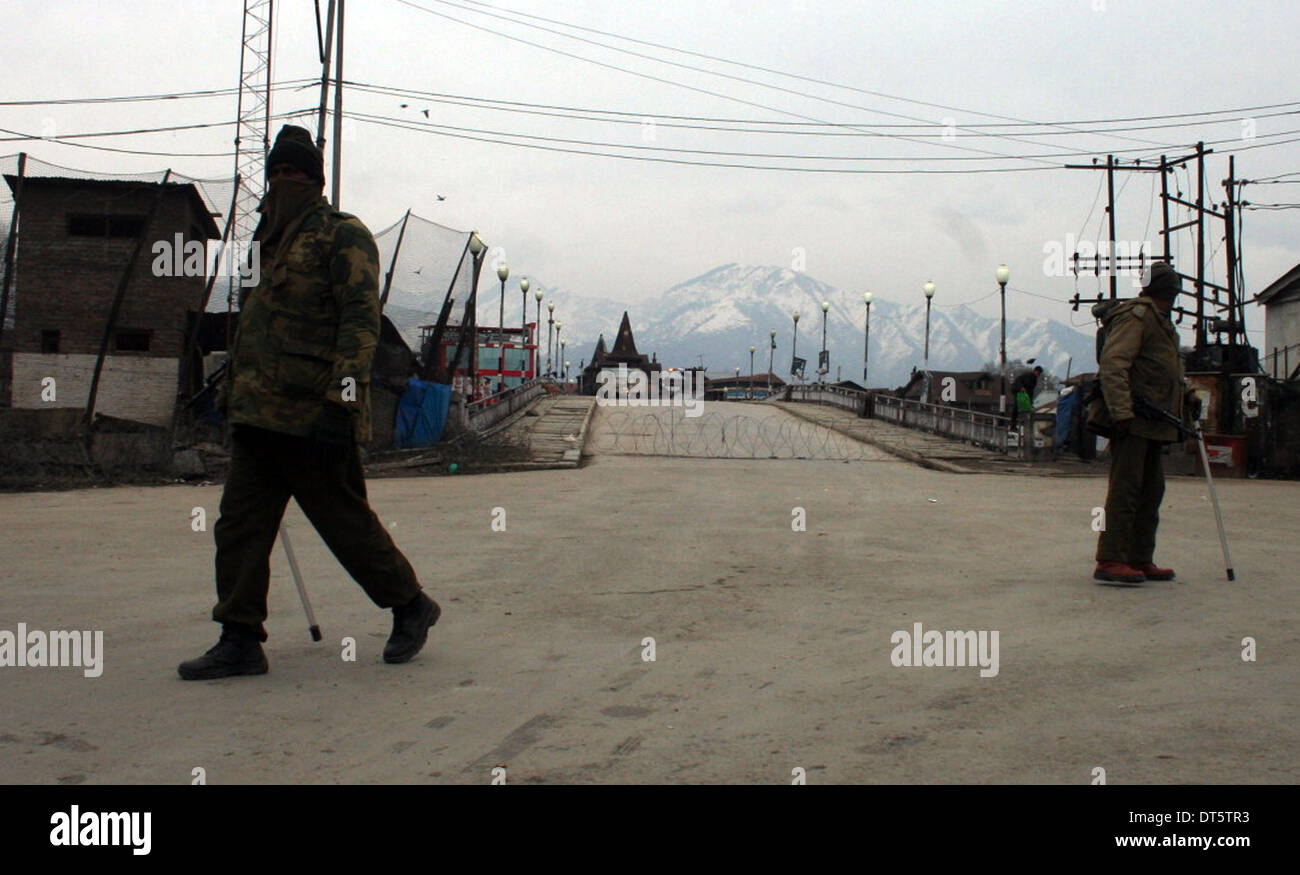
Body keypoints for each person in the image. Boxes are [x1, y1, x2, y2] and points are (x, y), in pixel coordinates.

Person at [179, 125, 440, 679]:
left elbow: (359, 323)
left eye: (292, 173)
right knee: (239, 527)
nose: (281, 182)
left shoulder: (342, 235)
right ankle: (240, 637)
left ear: (314, 180)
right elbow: (251, 326)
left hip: (314, 412)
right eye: (275, 173)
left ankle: (411, 605)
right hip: (258, 413)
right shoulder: (262, 243)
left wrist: (341, 402)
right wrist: (231, 393)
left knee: (344, 524)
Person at [1087, 261, 1196, 584]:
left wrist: (1187, 393)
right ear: (1170, 292)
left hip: (1155, 421)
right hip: (1134, 419)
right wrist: (1122, 413)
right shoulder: (1137, 317)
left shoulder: (1160, 321)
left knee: (1151, 490)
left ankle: (1139, 557)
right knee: (1126, 489)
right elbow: (1114, 365)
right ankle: (1110, 559)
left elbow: (1165, 369)